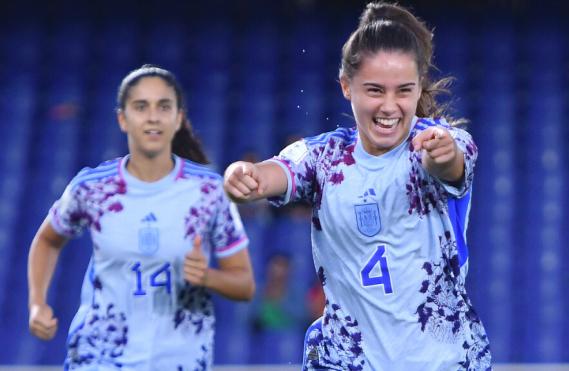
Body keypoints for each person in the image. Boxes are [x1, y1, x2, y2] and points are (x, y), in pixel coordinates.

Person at [223, 2, 491, 370]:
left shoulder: (445, 141)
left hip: (441, 359)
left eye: (403, 91)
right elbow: (280, 171)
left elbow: (451, 163)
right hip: (345, 359)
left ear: (418, 88)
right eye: (375, 90)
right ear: (347, 87)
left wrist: (441, 154)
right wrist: (248, 175)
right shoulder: (325, 156)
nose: (390, 106)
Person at [27, 65, 256, 369]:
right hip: (100, 357)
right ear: (123, 119)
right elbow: (47, 240)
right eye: (140, 107)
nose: (152, 117)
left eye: (163, 107)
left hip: (180, 359)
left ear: (178, 119)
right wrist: (37, 303)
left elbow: (245, 285)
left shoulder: (209, 191)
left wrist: (208, 277)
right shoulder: (92, 187)